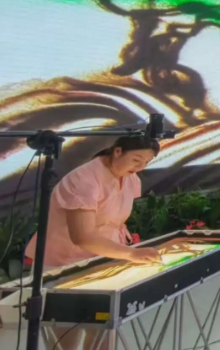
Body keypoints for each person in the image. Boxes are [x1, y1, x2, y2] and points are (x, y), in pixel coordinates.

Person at [23, 137, 163, 350]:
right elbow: (83, 236)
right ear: (117, 151)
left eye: (146, 162)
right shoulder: (84, 180)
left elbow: (112, 220)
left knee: (102, 334)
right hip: (64, 265)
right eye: (136, 160)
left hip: (102, 261)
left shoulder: (130, 178)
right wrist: (131, 254)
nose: (140, 167)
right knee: (67, 339)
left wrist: (123, 252)